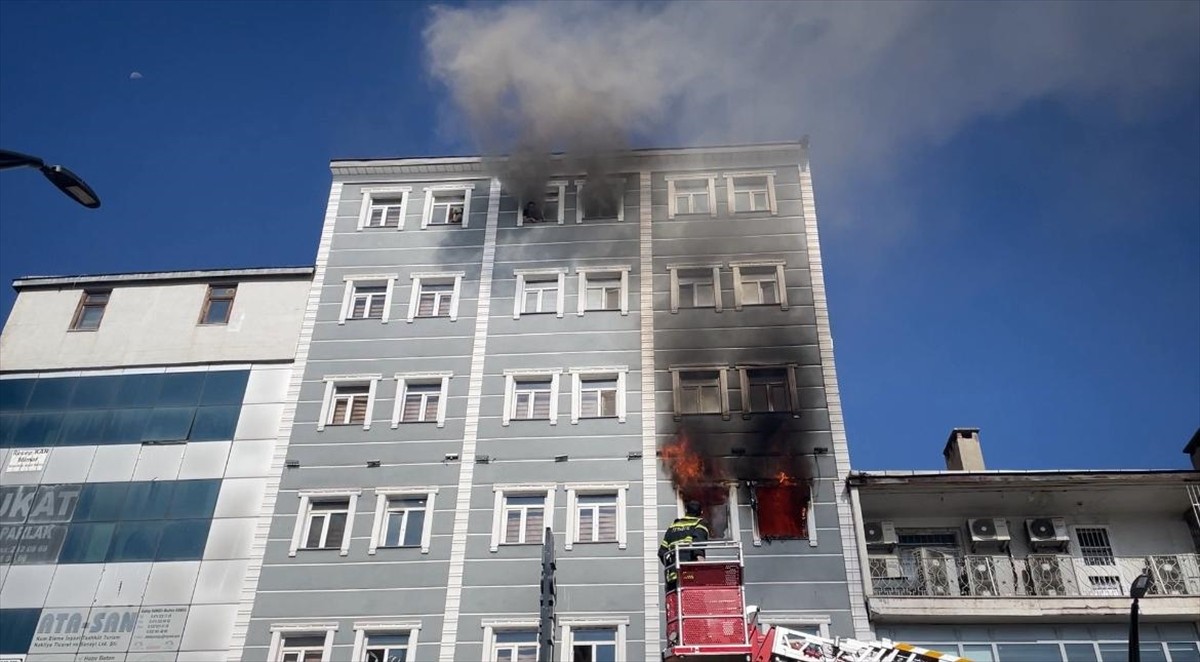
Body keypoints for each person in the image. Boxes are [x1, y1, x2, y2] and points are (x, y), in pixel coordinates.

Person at [659, 500, 709, 592]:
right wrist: (704, 575)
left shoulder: (673, 527)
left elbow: (662, 552)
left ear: (686, 511)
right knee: (694, 602)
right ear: (701, 512)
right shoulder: (699, 525)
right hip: (691, 575)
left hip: (673, 577)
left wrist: (671, 566)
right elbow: (698, 550)